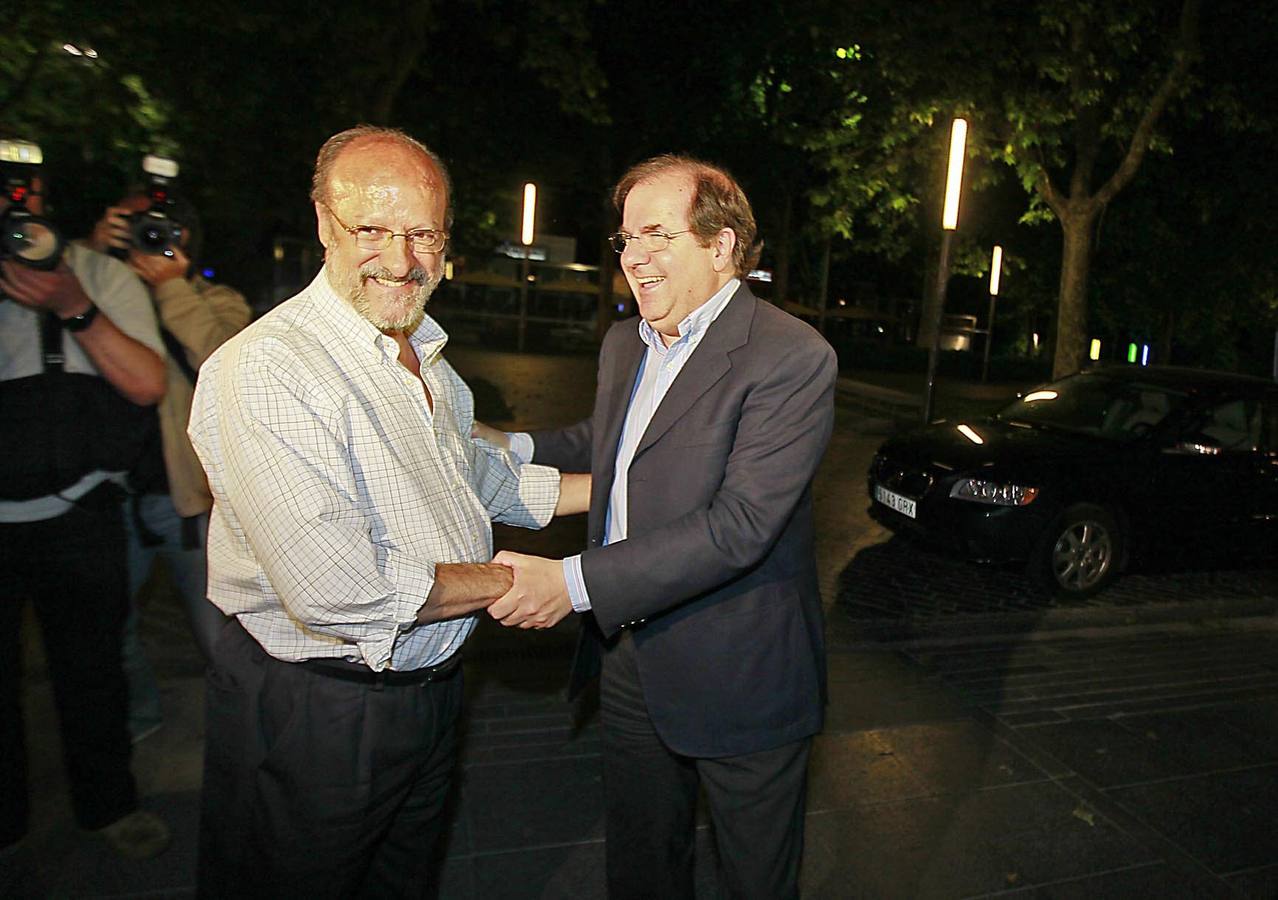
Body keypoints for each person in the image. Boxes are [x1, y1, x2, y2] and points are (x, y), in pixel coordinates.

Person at [186, 125, 588, 898]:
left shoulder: (418, 352)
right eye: (371, 228)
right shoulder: (269, 368)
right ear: (322, 224)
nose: (401, 260)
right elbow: (337, 586)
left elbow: (486, 482)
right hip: (319, 714)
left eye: (423, 235)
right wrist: (520, 583)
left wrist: (636, 481)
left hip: (426, 701)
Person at [482, 154, 837, 899]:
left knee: (754, 880)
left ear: (721, 246)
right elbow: (605, 442)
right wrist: (505, 444)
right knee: (641, 864)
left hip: (741, 672)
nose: (632, 257)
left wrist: (570, 583)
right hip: (629, 658)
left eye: (655, 234)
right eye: (624, 239)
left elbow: (740, 526)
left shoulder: (792, 356)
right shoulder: (626, 343)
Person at [0, 166, 172, 859]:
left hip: (81, 513)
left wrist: (73, 305)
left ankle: (107, 806)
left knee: (94, 672)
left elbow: (146, 382)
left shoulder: (97, 275)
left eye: (28, 196)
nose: (19, 211)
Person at [86, 190, 251, 742]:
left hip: (186, 500)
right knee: (107, 628)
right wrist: (89, 256)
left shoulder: (215, 298)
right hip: (106, 494)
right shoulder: (94, 291)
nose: (152, 236)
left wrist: (170, 288)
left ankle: (250, 728)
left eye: (164, 227)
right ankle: (138, 717)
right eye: (136, 225)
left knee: (222, 633)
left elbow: (225, 361)